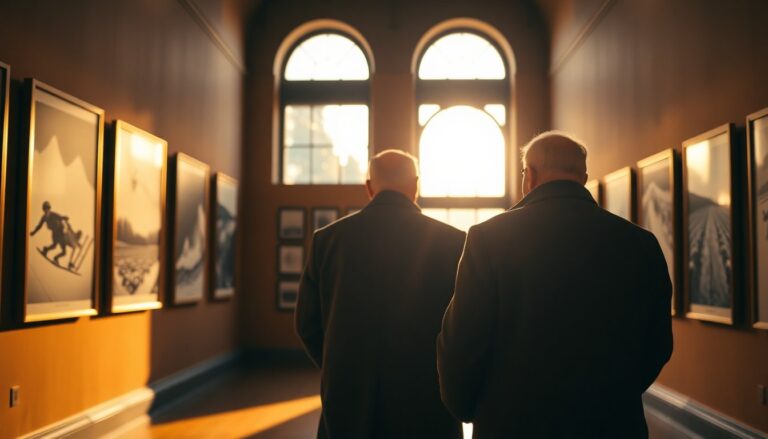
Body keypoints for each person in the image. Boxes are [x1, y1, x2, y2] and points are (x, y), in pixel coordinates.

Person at [437, 132, 673, 438]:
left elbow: (462, 343)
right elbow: (657, 344)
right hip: (611, 424)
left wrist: (474, 409)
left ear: (530, 176)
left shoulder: (489, 239)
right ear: (583, 178)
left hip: (513, 425)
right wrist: (615, 394)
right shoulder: (640, 243)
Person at [296, 149, 466, 438]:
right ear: (416, 185)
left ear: (369, 187)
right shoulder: (453, 241)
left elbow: (307, 323)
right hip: (426, 398)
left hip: (348, 396)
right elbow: (463, 325)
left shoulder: (328, 240)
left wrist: (342, 363)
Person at [30, 201, 76, 268]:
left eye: (47, 209)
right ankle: (49, 252)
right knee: (55, 246)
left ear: (49, 209)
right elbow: (39, 226)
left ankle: (53, 256)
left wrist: (64, 217)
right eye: (45, 210)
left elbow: (60, 217)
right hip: (56, 233)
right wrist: (33, 232)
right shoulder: (44, 217)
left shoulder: (53, 214)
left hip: (60, 232)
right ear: (44, 210)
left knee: (63, 252)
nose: (46, 211)